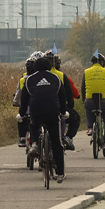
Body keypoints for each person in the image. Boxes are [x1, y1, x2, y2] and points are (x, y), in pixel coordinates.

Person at [17, 51, 68, 182]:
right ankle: (60, 173)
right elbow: (62, 97)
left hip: (36, 111)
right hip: (53, 112)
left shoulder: (29, 80)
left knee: (33, 125)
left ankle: (34, 144)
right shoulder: (56, 78)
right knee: (57, 143)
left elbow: (24, 100)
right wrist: (63, 111)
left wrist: (21, 114)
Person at [46, 50, 81, 150]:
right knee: (75, 118)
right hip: (58, 108)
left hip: (39, 108)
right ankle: (68, 138)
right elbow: (70, 95)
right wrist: (70, 105)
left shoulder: (35, 76)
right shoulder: (61, 76)